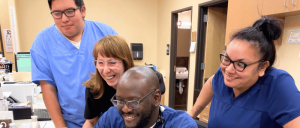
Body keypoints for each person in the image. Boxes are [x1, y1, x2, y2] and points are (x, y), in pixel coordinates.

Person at [189, 16, 300, 128]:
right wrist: (192, 114)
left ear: (262, 67)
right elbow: (212, 83)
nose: (229, 69)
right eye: (227, 59)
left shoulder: (278, 84)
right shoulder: (222, 74)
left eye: (240, 64)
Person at [30, 0, 117, 127]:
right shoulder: (43, 41)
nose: (64, 19)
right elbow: (48, 89)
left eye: (69, 12)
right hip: (70, 122)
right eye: (57, 13)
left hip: (108, 120)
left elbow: (121, 75)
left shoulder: (105, 32)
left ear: (83, 10)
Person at [83, 35, 165, 128]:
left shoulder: (146, 80)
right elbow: (91, 122)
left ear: (125, 62)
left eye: (112, 62)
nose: (105, 70)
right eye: (100, 62)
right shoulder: (94, 88)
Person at [94, 66, 197, 128]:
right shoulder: (111, 118)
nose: (125, 109)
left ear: (156, 98)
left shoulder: (180, 124)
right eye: (120, 101)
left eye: (134, 102)